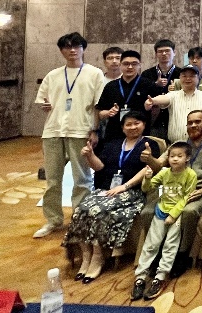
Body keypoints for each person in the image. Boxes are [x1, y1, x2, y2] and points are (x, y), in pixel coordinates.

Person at [62, 112, 160, 283]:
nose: (133, 127)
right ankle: (86, 256)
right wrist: (89, 155)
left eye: (137, 123)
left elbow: (148, 168)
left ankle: (98, 257)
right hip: (106, 191)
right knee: (80, 210)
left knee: (100, 211)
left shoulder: (149, 144)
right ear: (122, 128)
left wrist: (125, 186)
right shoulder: (113, 144)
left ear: (144, 125)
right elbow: (99, 167)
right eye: (128, 124)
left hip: (132, 192)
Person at [34, 32, 105, 239]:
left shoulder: (94, 74)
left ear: (83, 49)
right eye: (67, 46)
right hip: (53, 131)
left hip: (81, 130)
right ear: (61, 50)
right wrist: (44, 105)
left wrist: (94, 130)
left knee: (82, 179)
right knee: (52, 180)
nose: (72, 50)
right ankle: (53, 220)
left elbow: (98, 105)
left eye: (76, 46)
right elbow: (42, 100)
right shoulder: (53, 75)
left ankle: (80, 219)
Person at [139, 109, 202, 278]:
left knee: (188, 211)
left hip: (201, 190)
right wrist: (149, 159)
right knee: (148, 211)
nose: (193, 125)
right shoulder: (179, 144)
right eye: (190, 122)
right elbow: (159, 165)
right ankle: (156, 253)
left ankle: (182, 254)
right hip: (173, 189)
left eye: (197, 122)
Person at [131, 141, 197, 301]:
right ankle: (140, 277)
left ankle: (160, 277)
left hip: (176, 215)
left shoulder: (191, 175)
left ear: (187, 158)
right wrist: (147, 178)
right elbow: (147, 188)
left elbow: (186, 197)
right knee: (151, 244)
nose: (175, 159)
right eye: (172, 156)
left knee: (170, 245)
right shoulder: (164, 172)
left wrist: (173, 215)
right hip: (161, 211)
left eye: (179, 156)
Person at [96, 50, 161, 146]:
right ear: (120, 65)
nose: (130, 67)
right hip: (114, 134)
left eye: (134, 64)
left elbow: (157, 109)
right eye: (126, 64)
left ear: (140, 65)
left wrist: (148, 111)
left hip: (141, 134)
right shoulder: (111, 86)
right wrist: (109, 112)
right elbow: (100, 113)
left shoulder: (149, 85)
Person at [145, 65, 202, 143]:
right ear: (179, 78)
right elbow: (164, 98)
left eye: (192, 76)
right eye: (184, 76)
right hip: (176, 145)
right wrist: (153, 101)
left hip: (200, 145)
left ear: (198, 78)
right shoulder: (173, 95)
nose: (188, 79)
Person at [140, 39, 178, 139]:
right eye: (160, 51)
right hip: (153, 120)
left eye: (167, 51)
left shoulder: (181, 73)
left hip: (174, 117)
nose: (164, 54)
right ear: (156, 54)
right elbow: (141, 94)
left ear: (174, 52)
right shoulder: (147, 74)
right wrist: (155, 84)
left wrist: (177, 88)